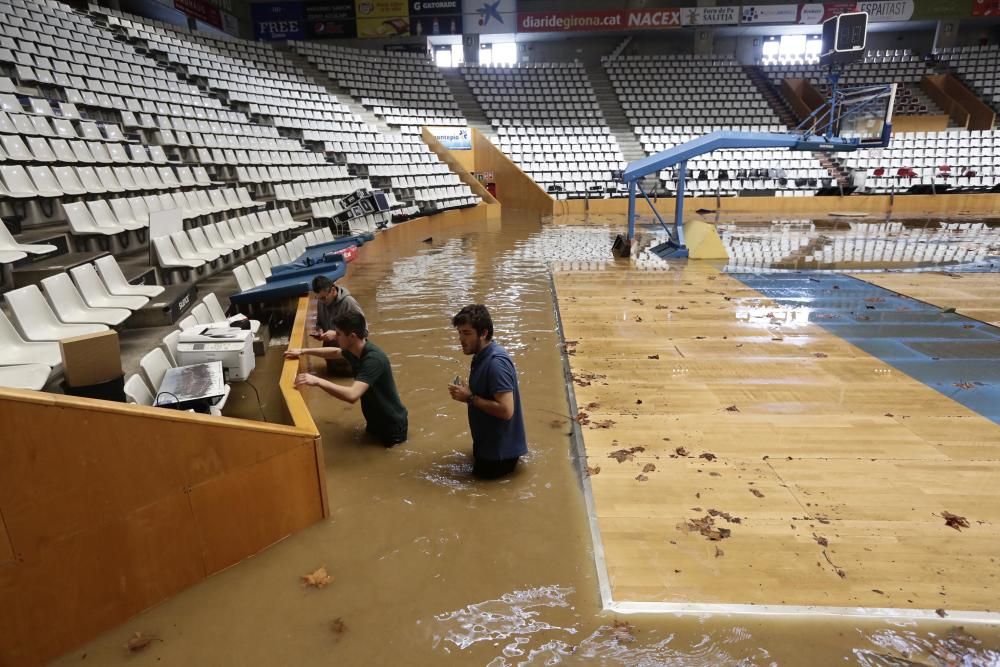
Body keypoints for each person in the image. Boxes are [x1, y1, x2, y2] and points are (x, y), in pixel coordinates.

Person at [287, 311, 408, 447]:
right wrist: (303, 351)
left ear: (352, 336)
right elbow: (335, 352)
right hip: (375, 419)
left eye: (338, 334)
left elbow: (352, 395)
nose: (335, 337)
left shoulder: (373, 360)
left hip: (391, 424)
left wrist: (317, 381)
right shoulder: (355, 351)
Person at [448, 305, 527, 479]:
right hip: (490, 448)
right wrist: (468, 391)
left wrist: (469, 397)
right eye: (460, 333)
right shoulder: (481, 356)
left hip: (499, 455)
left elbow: (506, 411)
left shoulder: (495, 363)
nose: (461, 339)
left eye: (467, 333)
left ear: (483, 333)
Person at [310, 275, 364, 375]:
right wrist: (319, 331)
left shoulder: (349, 303)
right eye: (319, 298)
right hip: (331, 354)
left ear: (333, 290)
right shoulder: (321, 302)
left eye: (324, 298)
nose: (322, 301)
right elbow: (319, 322)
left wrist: (335, 334)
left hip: (348, 355)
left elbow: (363, 332)